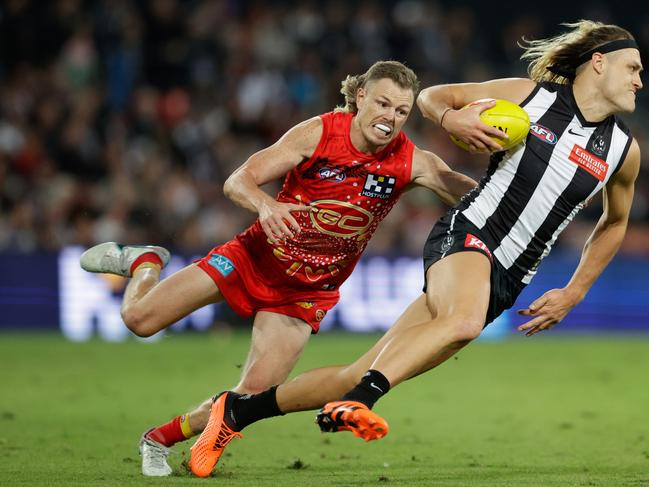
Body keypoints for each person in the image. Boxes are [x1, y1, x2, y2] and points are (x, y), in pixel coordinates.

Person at [189, 19, 643, 475]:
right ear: (598, 62)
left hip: (507, 279)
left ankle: (234, 412)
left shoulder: (624, 150)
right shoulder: (531, 95)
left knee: (358, 369)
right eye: (633, 68)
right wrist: (452, 117)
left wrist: (574, 291)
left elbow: (614, 222)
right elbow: (433, 96)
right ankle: (359, 402)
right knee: (460, 323)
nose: (640, 80)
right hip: (469, 234)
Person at [79, 60, 477, 477]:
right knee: (139, 320)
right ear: (360, 97)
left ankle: (159, 438)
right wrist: (265, 203)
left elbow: (469, 194)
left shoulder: (410, 161)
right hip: (253, 258)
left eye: (401, 111)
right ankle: (145, 262)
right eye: (383, 104)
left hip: (306, 292)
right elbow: (238, 180)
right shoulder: (319, 133)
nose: (390, 118)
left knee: (251, 396)